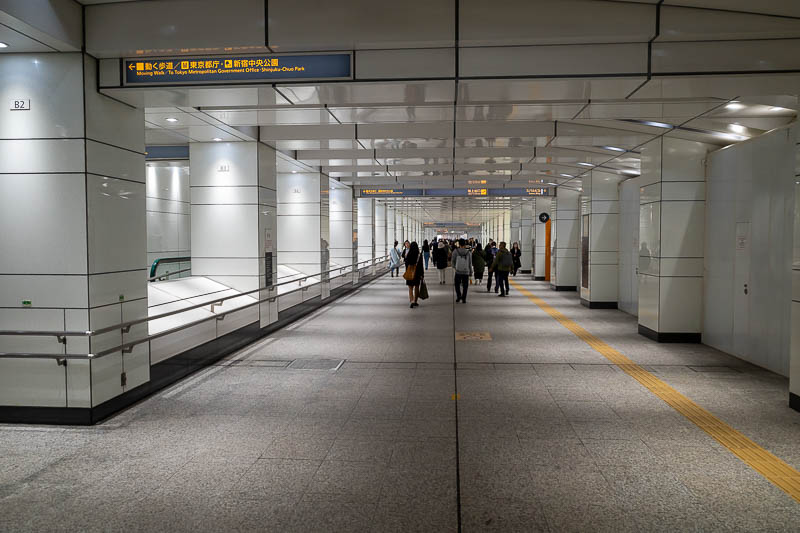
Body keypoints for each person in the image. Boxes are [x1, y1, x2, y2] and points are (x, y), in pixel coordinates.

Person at [452, 238, 473, 303]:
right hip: (466, 271)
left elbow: (453, 261)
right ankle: (464, 298)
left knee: (457, 284)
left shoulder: (455, 251)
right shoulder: (468, 252)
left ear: (459, 244)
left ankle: (459, 296)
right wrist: (470, 271)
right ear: (465, 244)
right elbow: (470, 263)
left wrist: (455, 267)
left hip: (458, 271)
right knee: (465, 285)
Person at [405, 241, 424, 308]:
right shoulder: (419, 255)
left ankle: (412, 301)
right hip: (417, 273)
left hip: (410, 272)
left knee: (410, 288)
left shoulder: (408, 254)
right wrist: (422, 274)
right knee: (416, 287)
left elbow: (406, 264)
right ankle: (415, 301)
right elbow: (421, 265)